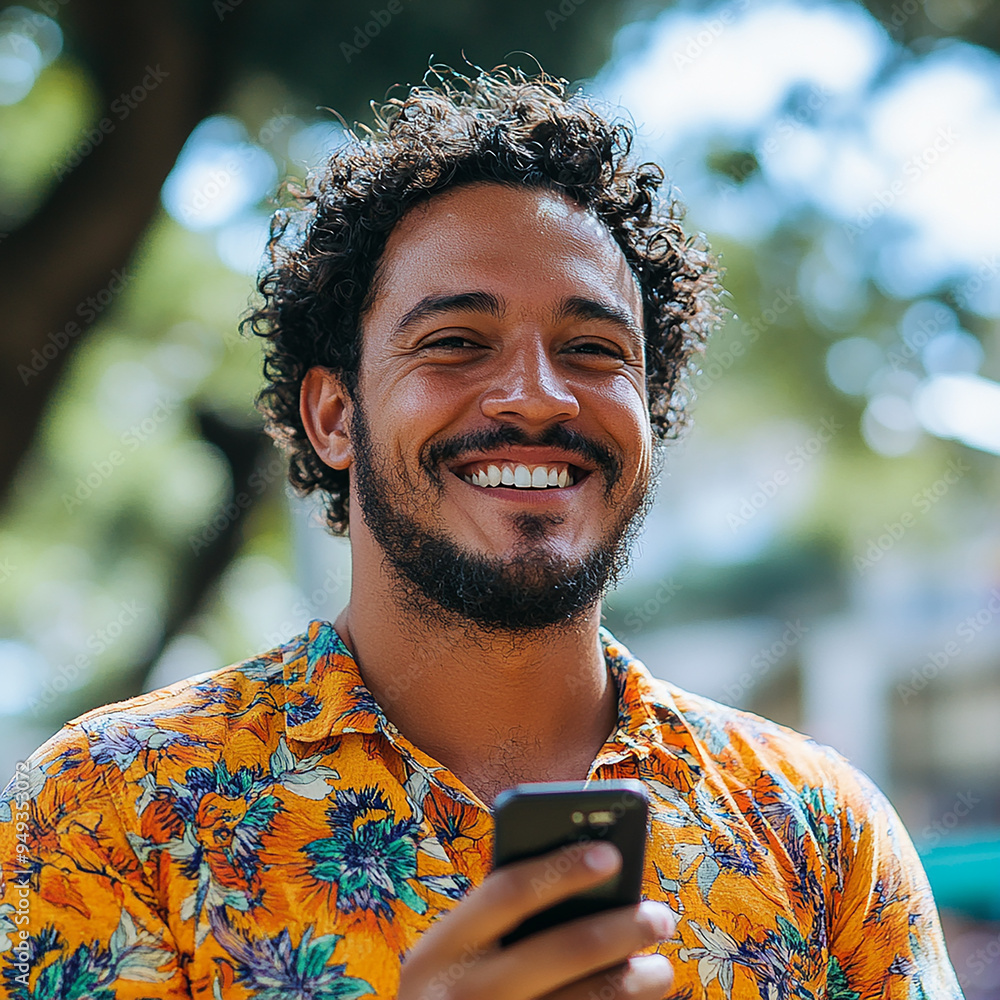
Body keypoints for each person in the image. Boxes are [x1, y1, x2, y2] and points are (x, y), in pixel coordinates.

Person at [0, 66, 963, 1000]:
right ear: (336, 419)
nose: (540, 396)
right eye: (457, 341)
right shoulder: (110, 810)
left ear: (649, 420)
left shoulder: (821, 834)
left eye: (593, 350)